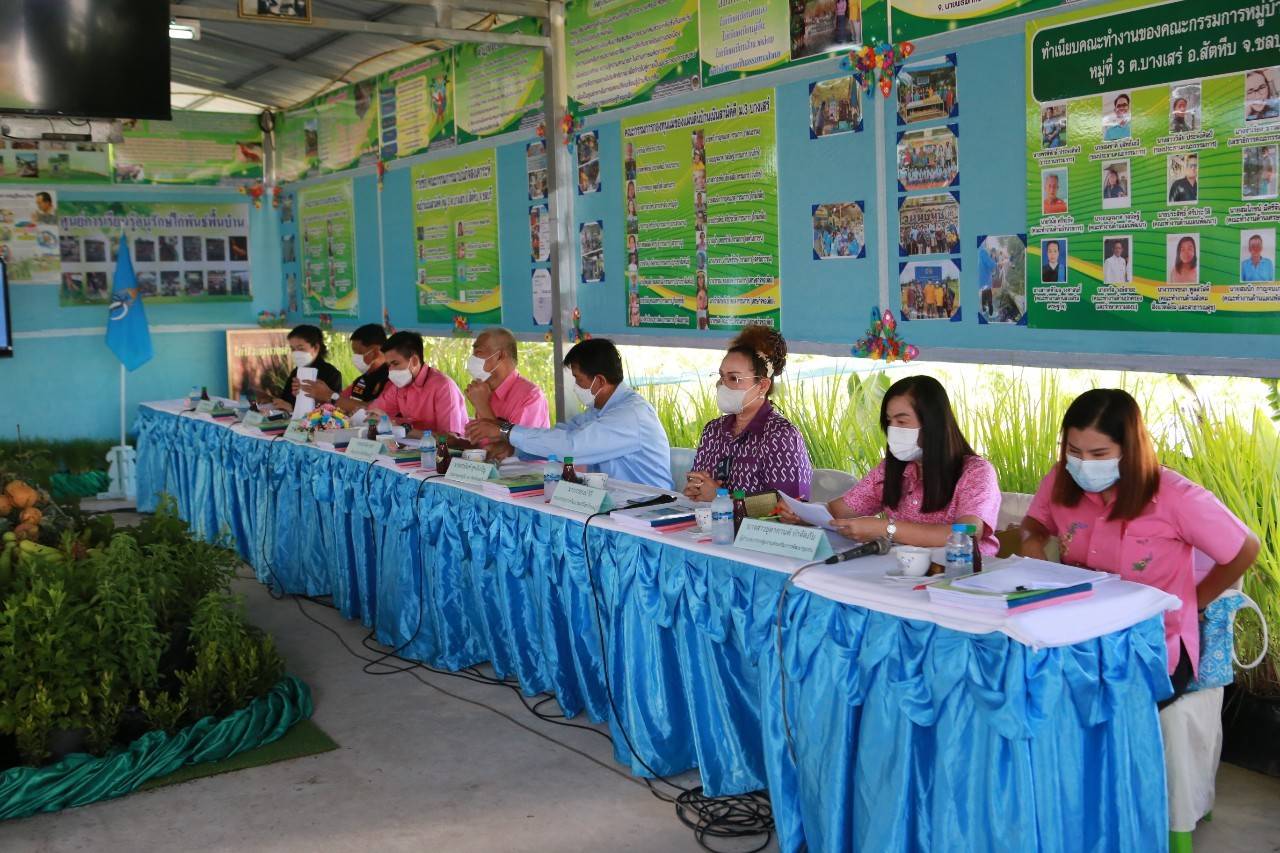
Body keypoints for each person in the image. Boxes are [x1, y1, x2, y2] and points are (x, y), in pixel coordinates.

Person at [1020, 389, 1259, 704]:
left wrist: (1194, 603)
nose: (1083, 464)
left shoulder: (1175, 497)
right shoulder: (1060, 480)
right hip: (1080, 634)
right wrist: (1032, 540)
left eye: (1099, 454)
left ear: (1129, 450)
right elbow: (1035, 522)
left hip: (1153, 646)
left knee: (1092, 708)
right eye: (1074, 451)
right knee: (1021, 688)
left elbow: (1245, 548)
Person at [780, 376, 1000, 554]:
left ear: (933, 424)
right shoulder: (892, 469)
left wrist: (886, 529)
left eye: (902, 421)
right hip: (902, 574)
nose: (893, 429)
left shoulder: (975, 472)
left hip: (960, 577)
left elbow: (968, 532)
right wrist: (802, 514)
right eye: (889, 421)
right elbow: (838, 511)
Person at [465, 338, 673, 488]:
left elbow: (572, 446)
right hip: (616, 501)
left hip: (649, 504)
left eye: (579, 380)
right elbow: (561, 434)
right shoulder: (599, 410)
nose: (575, 387)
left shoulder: (630, 415)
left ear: (599, 381)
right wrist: (514, 449)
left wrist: (506, 431)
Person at [683, 327, 813, 502]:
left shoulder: (781, 436)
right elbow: (701, 486)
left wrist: (722, 497)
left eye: (734, 378)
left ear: (762, 386)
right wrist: (696, 489)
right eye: (721, 377)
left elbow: (788, 505)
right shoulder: (713, 430)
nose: (722, 385)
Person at [367, 330, 468, 436]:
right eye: (388, 366)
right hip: (412, 444)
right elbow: (374, 411)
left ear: (414, 361)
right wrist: (378, 418)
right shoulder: (399, 385)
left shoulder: (444, 387)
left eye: (395, 363)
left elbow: (449, 438)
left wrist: (401, 429)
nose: (390, 370)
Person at [461, 327, 550, 432]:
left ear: (500, 355)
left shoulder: (531, 397)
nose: (472, 358)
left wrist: (483, 407)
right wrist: (457, 440)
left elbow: (516, 442)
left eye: (478, 352)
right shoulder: (484, 390)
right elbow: (483, 440)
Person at [301, 324, 390, 413]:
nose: (355, 358)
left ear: (375, 352)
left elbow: (373, 408)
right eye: (354, 353)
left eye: (359, 353)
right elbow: (340, 401)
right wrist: (314, 393)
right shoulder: (361, 381)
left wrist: (329, 395)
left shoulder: (391, 378)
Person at [267, 324, 343, 411]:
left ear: (316, 347)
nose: (296, 353)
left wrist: (292, 408)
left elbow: (332, 409)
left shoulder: (332, 374)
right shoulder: (295, 372)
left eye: (301, 348)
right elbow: (285, 400)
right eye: (293, 349)